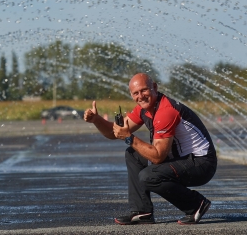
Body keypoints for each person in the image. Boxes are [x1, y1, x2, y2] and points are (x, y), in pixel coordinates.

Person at [84, 73, 217, 225]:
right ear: (131, 95)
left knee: (149, 176)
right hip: (185, 160)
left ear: (154, 87)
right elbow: (115, 132)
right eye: (136, 93)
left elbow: (158, 156)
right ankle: (142, 211)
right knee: (133, 154)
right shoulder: (144, 109)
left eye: (144, 90)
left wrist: (129, 138)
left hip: (203, 164)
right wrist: (96, 120)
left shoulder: (165, 111)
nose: (141, 96)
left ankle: (195, 204)